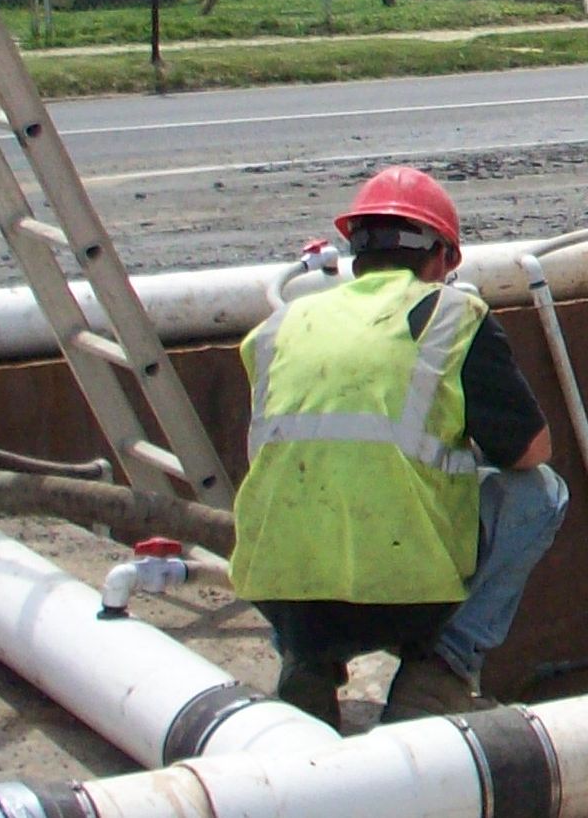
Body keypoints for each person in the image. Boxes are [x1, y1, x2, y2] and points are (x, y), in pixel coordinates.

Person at [232, 165, 568, 725]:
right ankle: (439, 674)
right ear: (446, 259)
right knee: (541, 495)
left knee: (300, 489)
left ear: (354, 256)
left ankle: (306, 668)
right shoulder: (451, 318)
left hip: (283, 601)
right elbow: (530, 453)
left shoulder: (282, 325)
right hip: (405, 601)